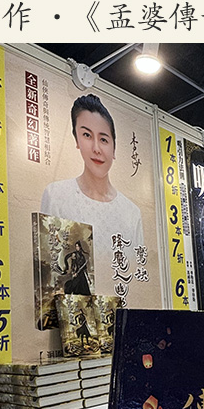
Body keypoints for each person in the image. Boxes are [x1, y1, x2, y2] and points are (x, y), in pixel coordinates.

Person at [40, 94, 144, 296]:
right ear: (77, 140)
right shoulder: (56, 196)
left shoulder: (132, 213)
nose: (96, 148)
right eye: (87, 135)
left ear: (114, 147)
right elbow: (49, 277)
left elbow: (138, 282)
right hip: (73, 312)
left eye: (103, 139)